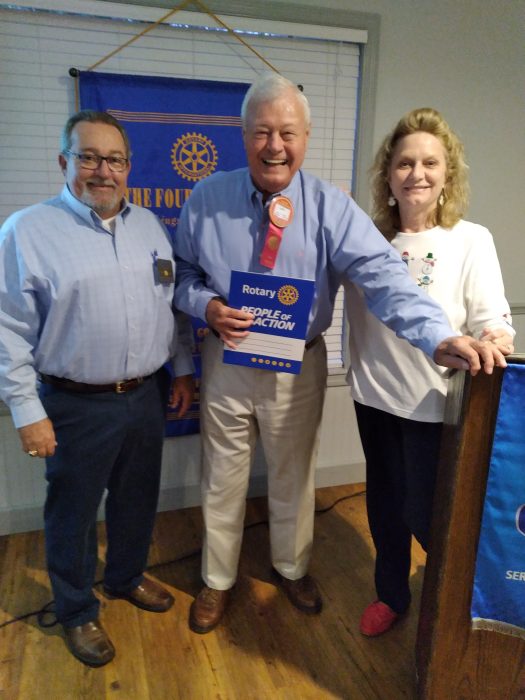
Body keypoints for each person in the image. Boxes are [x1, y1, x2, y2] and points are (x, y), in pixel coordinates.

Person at [173, 74, 510, 635]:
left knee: (293, 476)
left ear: (306, 137)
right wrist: (206, 305)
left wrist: (436, 336)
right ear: (243, 134)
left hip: (297, 361)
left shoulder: (331, 207)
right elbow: (182, 275)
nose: (274, 146)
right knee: (221, 477)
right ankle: (217, 580)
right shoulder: (207, 198)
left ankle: (291, 568)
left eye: (287, 132)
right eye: (261, 132)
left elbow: (386, 278)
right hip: (227, 357)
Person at [0, 110, 194, 666]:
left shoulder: (150, 226)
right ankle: (76, 609)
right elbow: (8, 329)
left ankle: (126, 576)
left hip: (145, 395)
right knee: (75, 513)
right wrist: (26, 411)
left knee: (137, 498)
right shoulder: (26, 231)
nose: (102, 171)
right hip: (74, 403)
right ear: (64, 161)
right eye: (88, 157)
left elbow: (169, 308)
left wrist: (182, 369)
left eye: (114, 160)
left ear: (128, 167)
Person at [345, 107, 515, 637]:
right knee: (384, 508)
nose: (416, 174)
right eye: (404, 163)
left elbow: (492, 317)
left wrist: (496, 336)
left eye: (429, 163)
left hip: (436, 407)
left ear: (447, 174)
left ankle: (451, 600)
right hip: (373, 399)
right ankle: (391, 595)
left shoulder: (471, 239)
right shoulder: (365, 241)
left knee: (428, 514)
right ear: (387, 174)